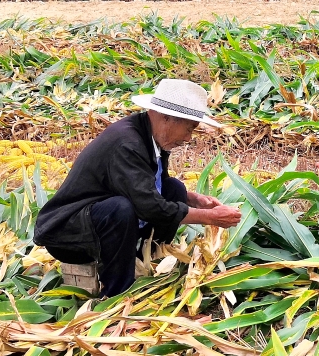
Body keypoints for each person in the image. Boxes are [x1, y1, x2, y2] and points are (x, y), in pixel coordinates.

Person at [34, 79, 242, 297]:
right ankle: (117, 294)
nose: (188, 138)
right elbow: (150, 207)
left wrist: (194, 199)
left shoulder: (151, 137)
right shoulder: (128, 144)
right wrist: (209, 217)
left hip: (100, 221)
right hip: (71, 236)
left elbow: (148, 186)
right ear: (166, 118)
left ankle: (149, 261)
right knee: (120, 209)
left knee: (174, 190)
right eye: (188, 129)